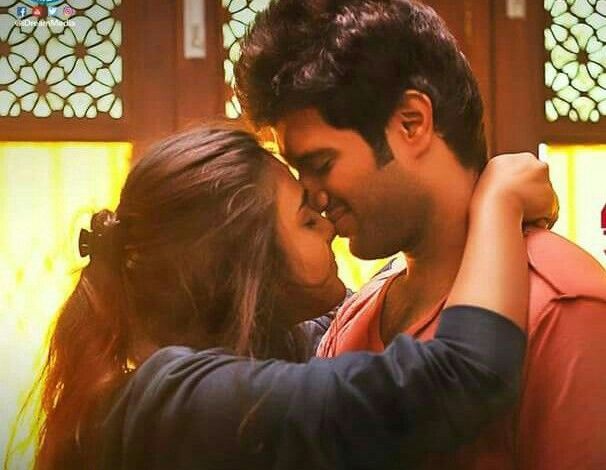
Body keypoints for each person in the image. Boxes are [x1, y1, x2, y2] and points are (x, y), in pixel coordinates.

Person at [29, 125, 556, 470]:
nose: (328, 224)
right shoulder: (182, 402)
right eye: (306, 219)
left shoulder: (265, 349)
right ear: (244, 267)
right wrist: (498, 204)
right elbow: (459, 378)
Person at [235, 1, 606, 468]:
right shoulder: (356, 316)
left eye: (321, 164)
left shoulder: (561, 307)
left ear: (412, 123)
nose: (311, 196)